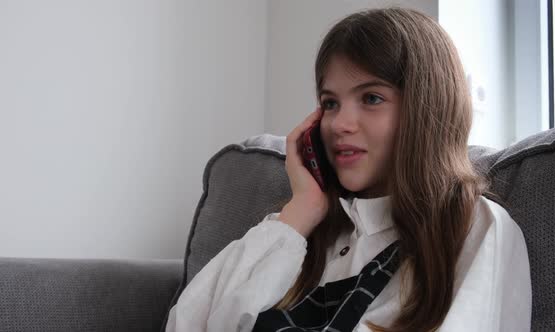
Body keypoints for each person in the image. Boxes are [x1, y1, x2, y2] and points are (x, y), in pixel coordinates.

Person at [165, 7, 531, 332]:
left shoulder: (474, 228)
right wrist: (301, 212)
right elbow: (188, 323)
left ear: (425, 107)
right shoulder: (295, 234)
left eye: (371, 98)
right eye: (330, 103)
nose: (339, 123)